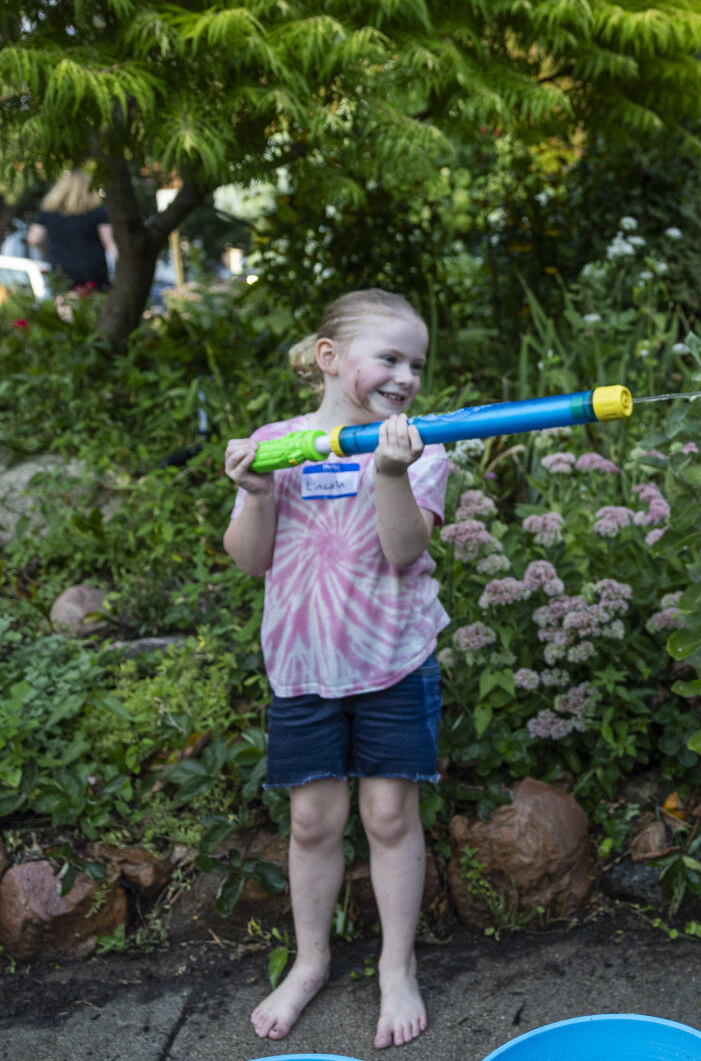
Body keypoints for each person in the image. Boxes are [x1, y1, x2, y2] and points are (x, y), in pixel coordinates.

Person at [222, 289, 450, 1051]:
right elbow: (251, 559)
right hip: (304, 663)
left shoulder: (420, 445)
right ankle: (311, 959)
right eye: (389, 356)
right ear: (329, 358)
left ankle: (396, 966)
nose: (406, 374)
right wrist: (254, 492)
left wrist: (390, 470)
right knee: (313, 821)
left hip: (392, 658)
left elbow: (404, 550)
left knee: (389, 816)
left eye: (416, 362)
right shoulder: (279, 442)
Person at [26, 170, 114, 291]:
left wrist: (48, 250)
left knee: (65, 304)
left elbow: (33, 238)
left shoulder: (49, 212)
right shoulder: (97, 211)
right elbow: (108, 241)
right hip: (93, 271)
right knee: (93, 307)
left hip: (61, 269)